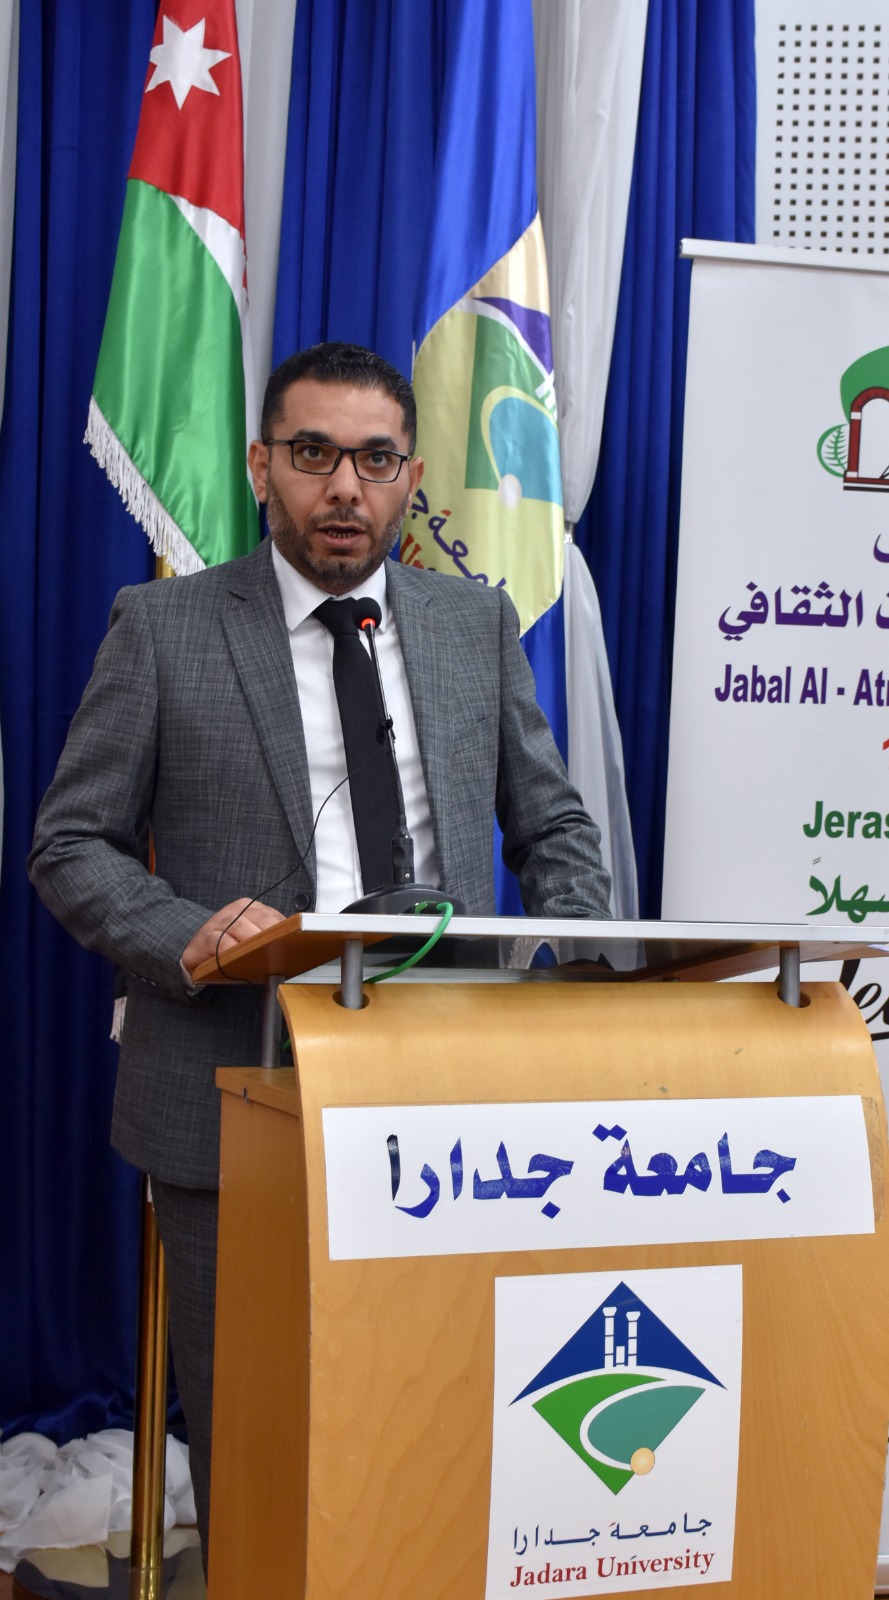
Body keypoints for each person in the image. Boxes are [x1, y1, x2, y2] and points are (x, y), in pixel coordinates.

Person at [29, 342, 611, 1568]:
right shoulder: (164, 626)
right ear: (261, 466)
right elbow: (70, 845)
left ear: (410, 478)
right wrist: (187, 933)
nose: (344, 486)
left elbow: (551, 824)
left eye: (374, 458)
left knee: (433, 1403)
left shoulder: (472, 622)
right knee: (254, 1420)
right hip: (233, 1081)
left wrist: (582, 980)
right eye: (312, 454)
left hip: (447, 1090)